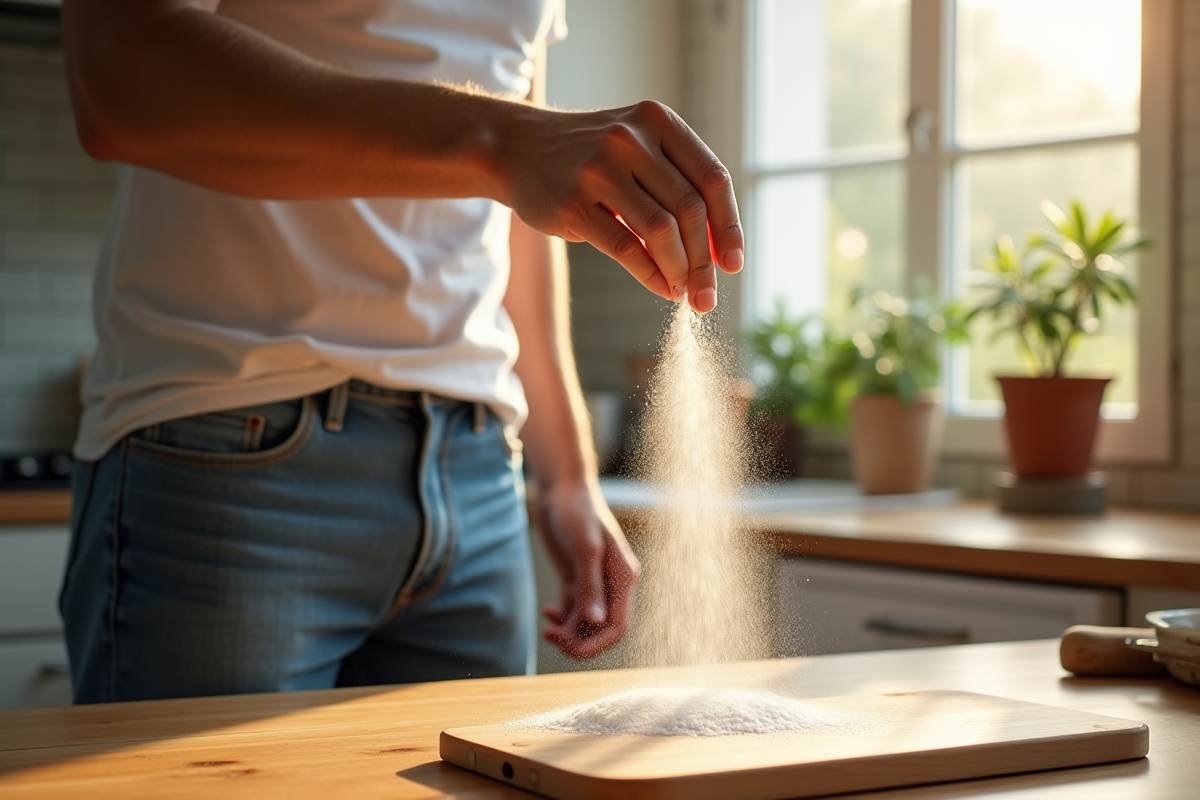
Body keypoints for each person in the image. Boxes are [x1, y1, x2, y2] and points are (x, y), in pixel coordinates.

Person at [58, 0, 744, 703]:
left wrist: (568, 474)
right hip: (227, 450)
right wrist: (505, 141)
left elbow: (525, 206)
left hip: (476, 470)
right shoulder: (503, 140)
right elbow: (120, 73)